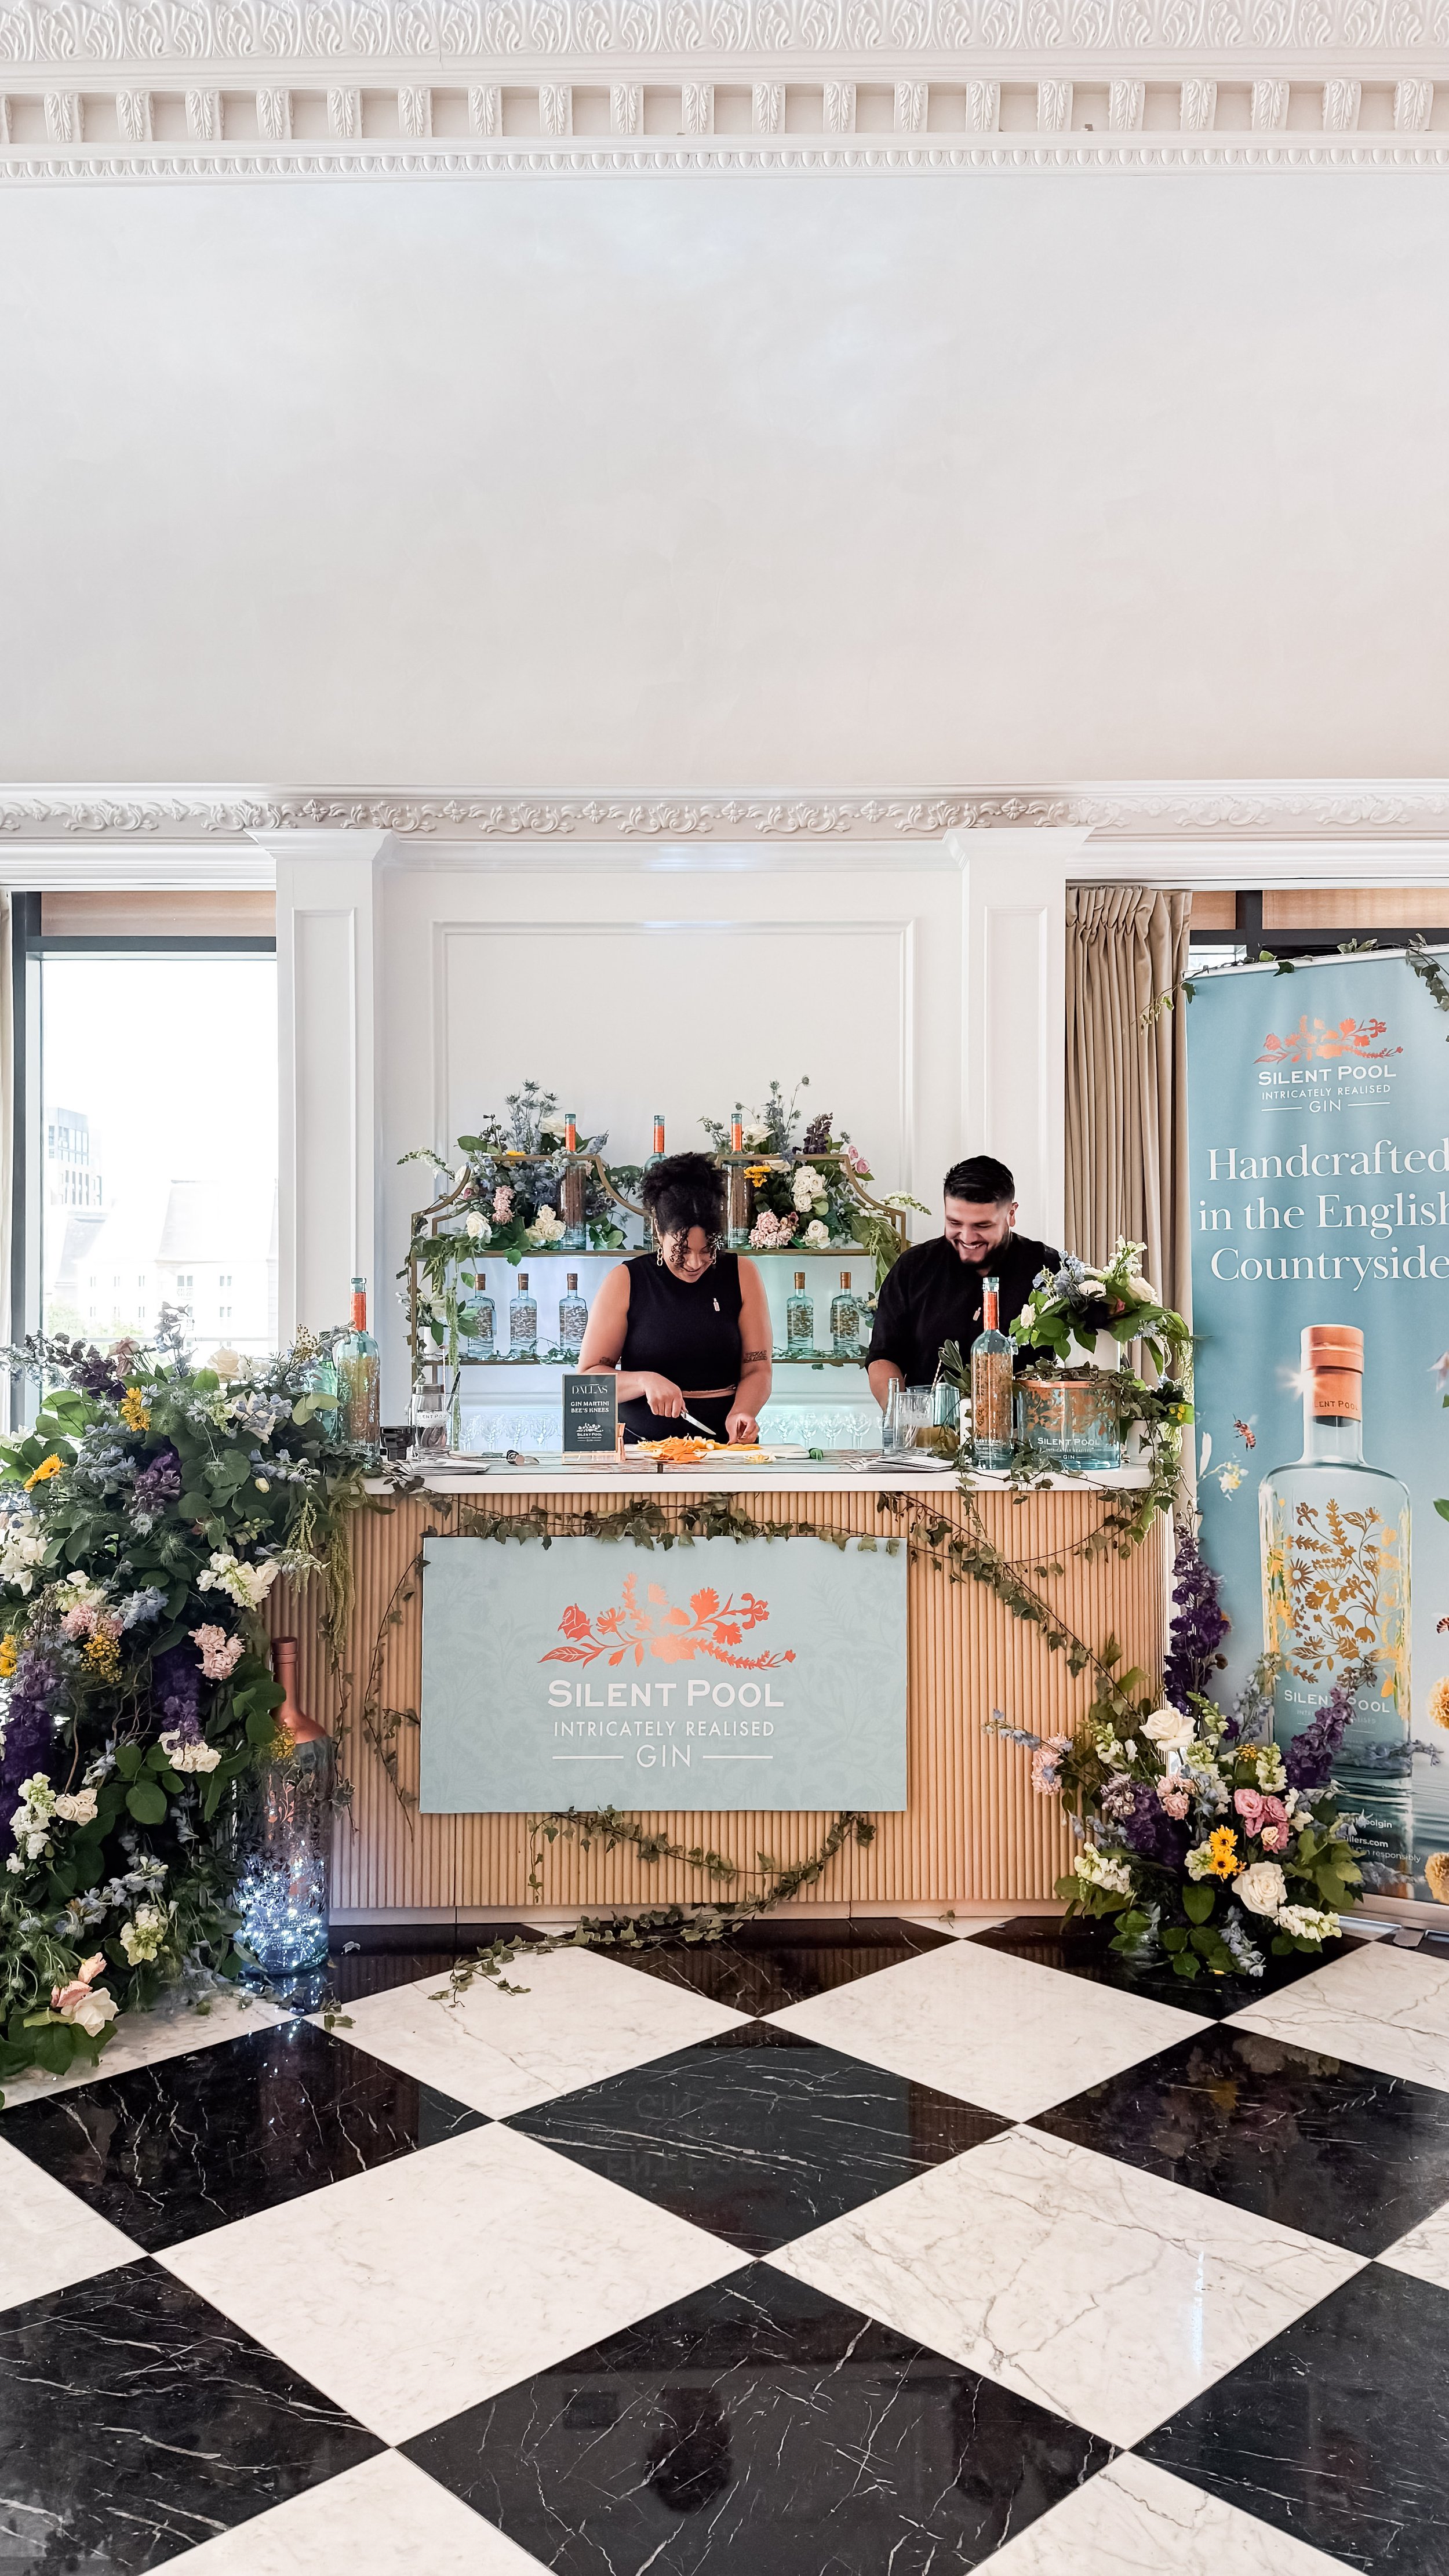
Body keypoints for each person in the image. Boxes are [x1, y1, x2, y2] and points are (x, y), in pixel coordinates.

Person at [578, 1151, 773, 1445]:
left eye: (709, 1250)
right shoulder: (626, 1280)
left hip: (726, 1447)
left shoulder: (742, 1274)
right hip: (641, 1450)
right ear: (658, 1230)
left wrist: (743, 1412)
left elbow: (758, 1368)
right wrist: (644, 1380)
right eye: (681, 1251)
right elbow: (588, 1380)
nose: (695, 1262)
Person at [865, 1154, 1059, 1409]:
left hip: (1024, 1437)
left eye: (982, 1225)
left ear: (1011, 1214)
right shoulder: (913, 1268)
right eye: (954, 1223)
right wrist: (905, 1418)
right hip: (929, 1436)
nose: (967, 1238)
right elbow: (883, 1357)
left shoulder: (1048, 1268)